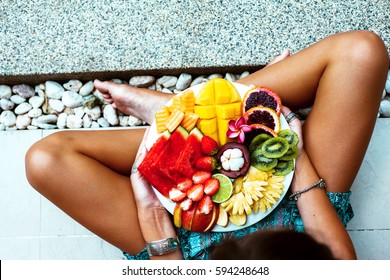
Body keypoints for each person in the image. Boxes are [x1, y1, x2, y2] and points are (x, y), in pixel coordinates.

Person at [25, 30, 389, 260]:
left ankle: (182, 121)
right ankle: (195, 115)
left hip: (183, 249)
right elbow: (339, 259)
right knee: (362, 52)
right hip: (304, 220)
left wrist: (155, 224)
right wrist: (293, 152)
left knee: (46, 160)